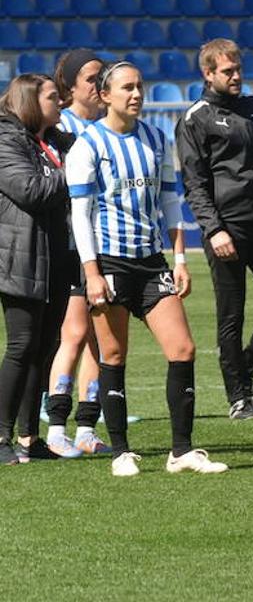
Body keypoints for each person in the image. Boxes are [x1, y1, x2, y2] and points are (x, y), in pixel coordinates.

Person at [66, 62, 230, 476]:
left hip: (151, 261)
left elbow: (171, 203)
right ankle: (121, 451)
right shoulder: (89, 145)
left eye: (140, 86)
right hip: (110, 263)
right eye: (127, 88)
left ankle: (182, 452)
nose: (136, 94)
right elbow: (80, 216)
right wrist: (92, 273)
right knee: (114, 354)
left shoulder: (156, 139)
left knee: (183, 349)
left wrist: (178, 258)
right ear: (105, 96)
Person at [176, 39, 253, 420]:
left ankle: (243, 373)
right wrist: (214, 230)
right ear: (208, 73)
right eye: (227, 71)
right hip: (226, 229)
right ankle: (239, 398)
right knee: (231, 316)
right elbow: (194, 184)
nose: (236, 76)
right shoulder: (195, 118)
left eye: (238, 69)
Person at [0, 75, 73, 465]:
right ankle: (0, 436)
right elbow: (29, 189)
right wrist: (74, 175)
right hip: (20, 255)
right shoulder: (5, 139)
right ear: (30, 100)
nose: (59, 101)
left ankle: (30, 437)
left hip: (56, 256)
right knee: (21, 346)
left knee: (45, 348)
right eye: (51, 96)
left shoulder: (56, 142)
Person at [43, 50, 111, 458]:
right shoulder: (60, 126)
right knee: (74, 333)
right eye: (91, 77)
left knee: (99, 340)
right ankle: (55, 428)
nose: (97, 83)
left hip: (107, 244)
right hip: (69, 244)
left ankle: (86, 428)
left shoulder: (108, 125)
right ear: (69, 86)